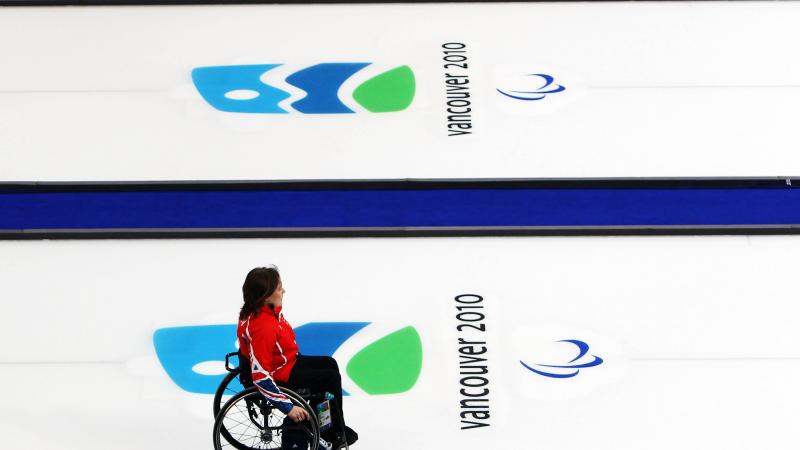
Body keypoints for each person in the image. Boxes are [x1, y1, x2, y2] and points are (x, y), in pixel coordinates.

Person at [237, 266, 358, 450]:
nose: (283, 290)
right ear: (265, 296)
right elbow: (260, 377)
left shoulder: (265, 311)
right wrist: (288, 408)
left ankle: (330, 425)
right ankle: (329, 434)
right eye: (278, 288)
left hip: (286, 362)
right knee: (329, 379)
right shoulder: (264, 327)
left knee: (329, 364)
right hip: (279, 375)